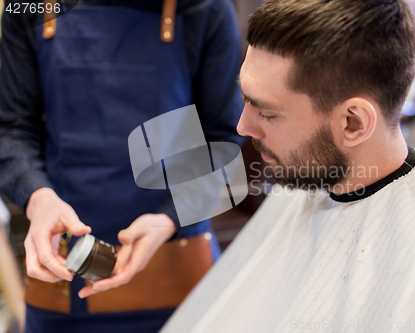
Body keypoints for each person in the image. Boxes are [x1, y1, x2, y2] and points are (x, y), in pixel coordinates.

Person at [159, 0, 415, 332]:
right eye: (245, 99)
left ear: (352, 122)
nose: (243, 127)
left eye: (267, 111)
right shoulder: (301, 186)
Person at [0, 0, 243, 332]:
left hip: (175, 263)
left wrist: (169, 218)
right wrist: (37, 198)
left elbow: (222, 139)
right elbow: (11, 128)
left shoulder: (205, 8)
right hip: (63, 272)